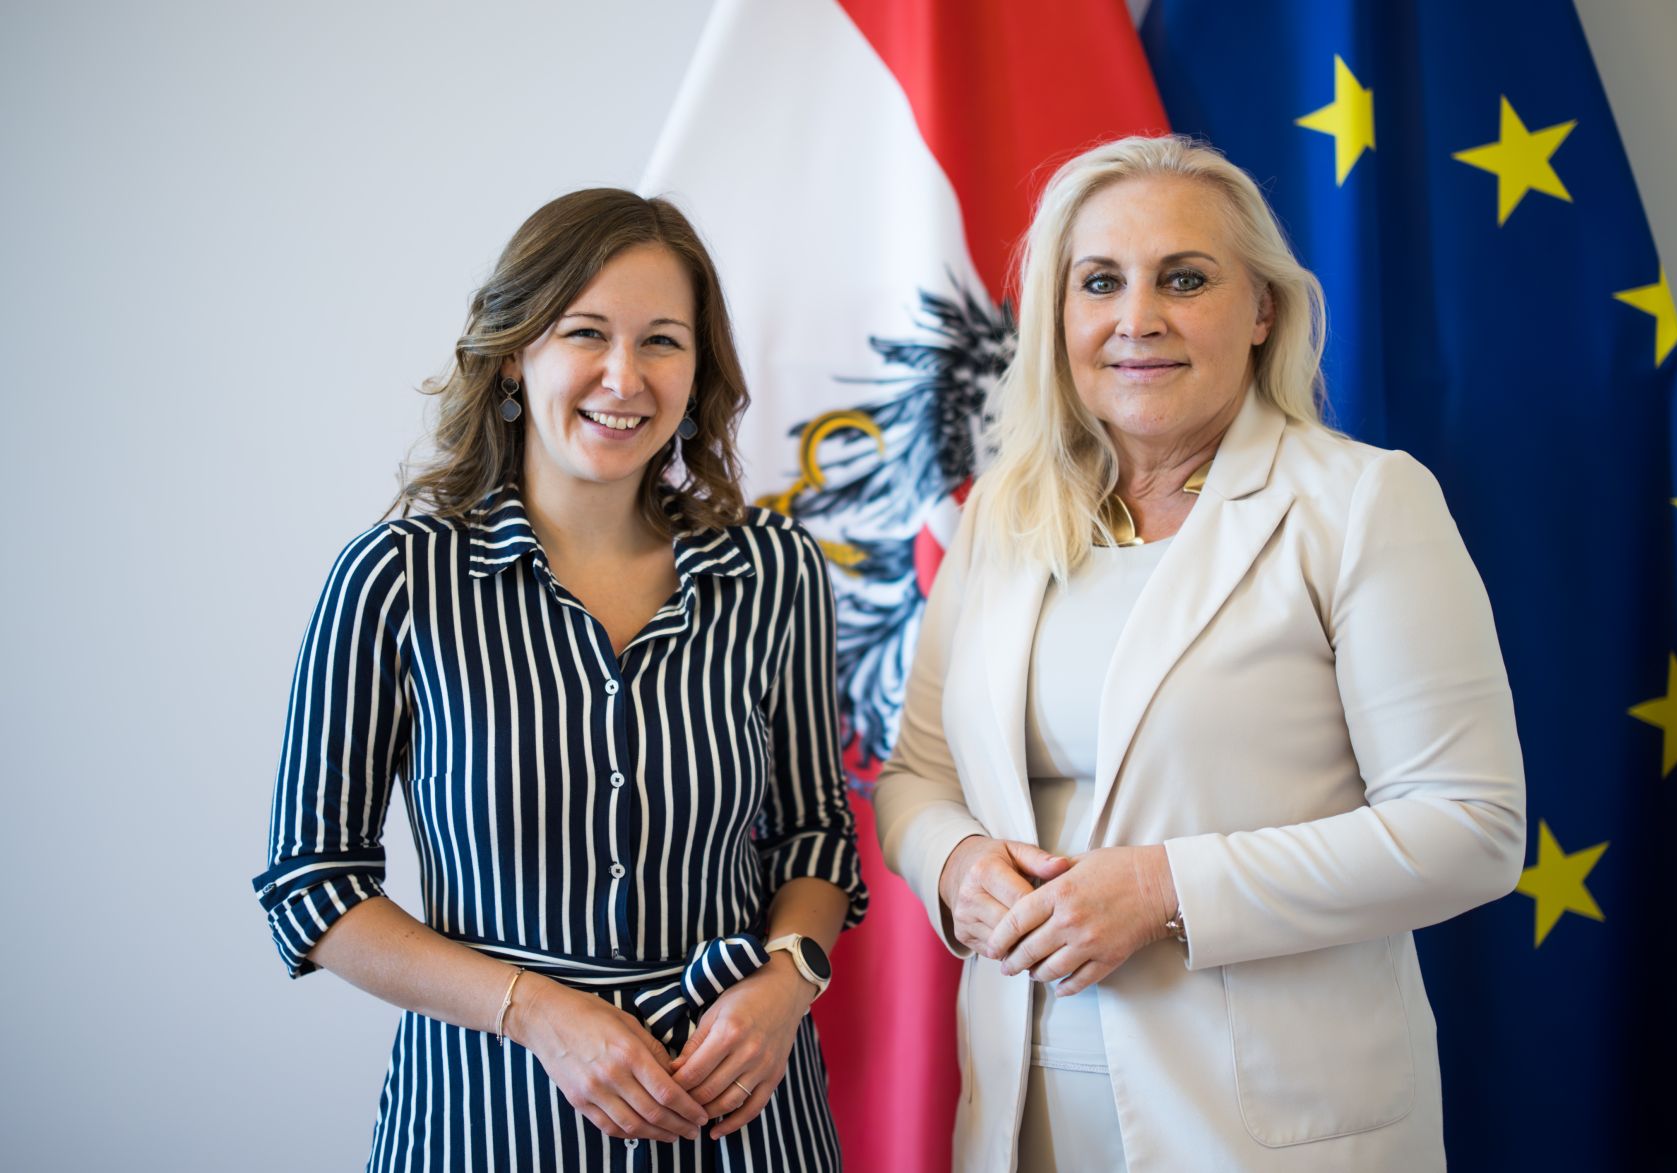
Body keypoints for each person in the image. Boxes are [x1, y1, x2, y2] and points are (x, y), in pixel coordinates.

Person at [873, 135, 1526, 1171]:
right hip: (1022, 1106)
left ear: (1260, 310)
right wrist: (953, 864)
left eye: (1184, 278)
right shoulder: (1002, 515)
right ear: (1057, 314)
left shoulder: (1358, 503)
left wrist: (1162, 889)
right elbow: (917, 776)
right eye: (1100, 282)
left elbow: (1470, 828)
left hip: (1271, 1124)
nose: (1137, 319)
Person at [252, 189, 865, 1171]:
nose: (623, 377)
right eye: (585, 333)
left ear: (697, 369)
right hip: (484, 1118)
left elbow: (814, 835)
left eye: (662, 341)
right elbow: (312, 888)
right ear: (512, 352)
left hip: (743, 1120)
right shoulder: (398, 577)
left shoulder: (772, 568)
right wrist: (536, 1013)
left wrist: (785, 980)